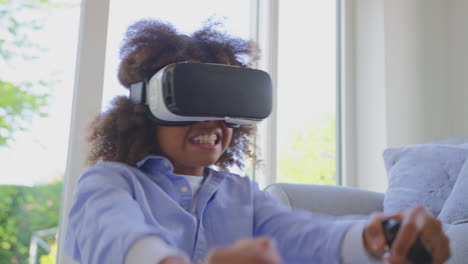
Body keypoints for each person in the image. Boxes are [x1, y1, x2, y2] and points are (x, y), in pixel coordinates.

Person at [64, 19, 450, 264]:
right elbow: (117, 237)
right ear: (145, 106)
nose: (212, 120)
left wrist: (376, 236)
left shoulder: (241, 196)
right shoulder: (110, 183)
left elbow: (306, 237)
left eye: (225, 104)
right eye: (195, 101)